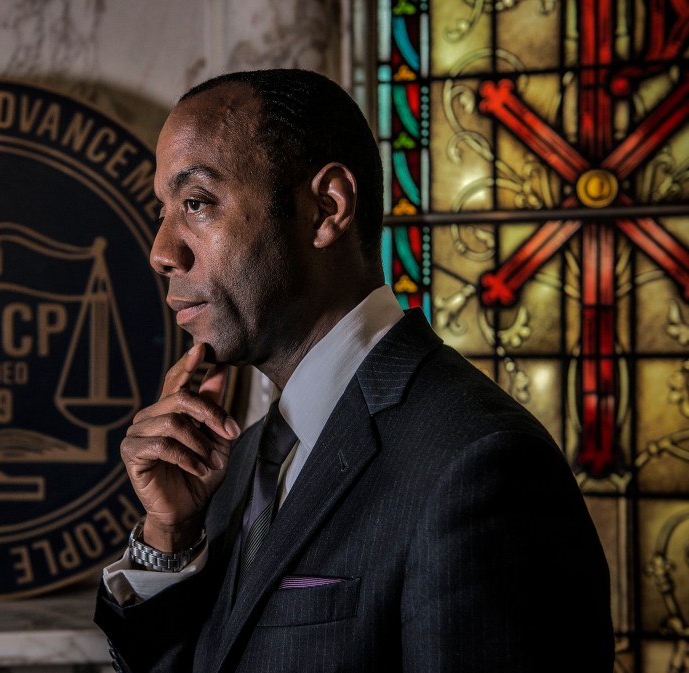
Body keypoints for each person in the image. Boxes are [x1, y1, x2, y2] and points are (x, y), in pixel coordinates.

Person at [94, 68, 614, 673]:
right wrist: (171, 536)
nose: (161, 251)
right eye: (162, 210)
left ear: (325, 208)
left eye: (197, 203)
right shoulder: (235, 463)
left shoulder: (482, 466)